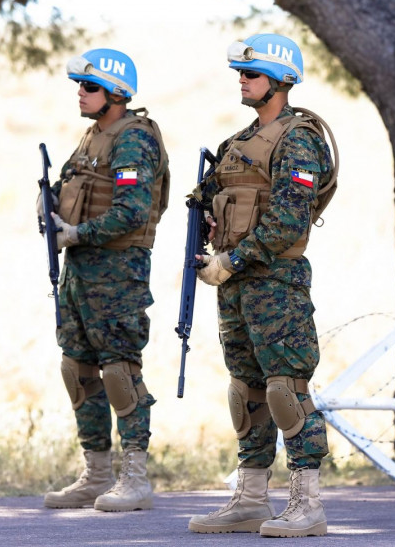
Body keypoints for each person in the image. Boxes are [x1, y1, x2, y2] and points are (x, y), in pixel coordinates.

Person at [187, 33, 338, 537]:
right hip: (235, 286)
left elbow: (288, 223)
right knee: (246, 393)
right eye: (241, 75)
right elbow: (208, 198)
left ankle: (307, 503)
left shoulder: (299, 139)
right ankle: (251, 498)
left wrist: (231, 259)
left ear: (280, 80)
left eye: (251, 75)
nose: (242, 81)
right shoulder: (237, 144)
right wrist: (212, 225)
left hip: (275, 282)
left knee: (286, 390)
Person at [39, 48, 170, 512]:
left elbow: (133, 213)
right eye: (80, 85)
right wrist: (49, 206)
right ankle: (96, 474)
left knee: (119, 370)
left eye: (90, 86)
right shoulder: (91, 136)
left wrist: (77, 232)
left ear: (116, 93)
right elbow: (70, 187)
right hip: (79, 272)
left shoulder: (134, 139)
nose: (80, 92)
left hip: (118, 271)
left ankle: (135, 478)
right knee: (77, 369)